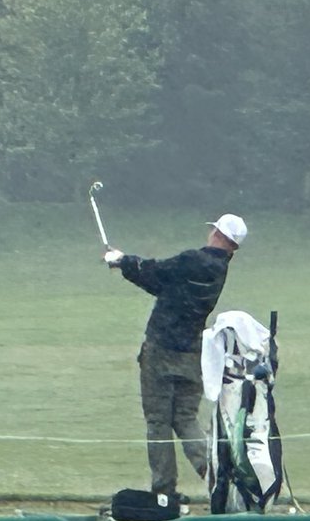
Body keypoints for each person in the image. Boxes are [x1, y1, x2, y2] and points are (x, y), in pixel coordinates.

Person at [103, 213, 247, 500]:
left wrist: (122, 260)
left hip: (161, 349)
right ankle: (216, 476)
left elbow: (156, 270)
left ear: (217, 234)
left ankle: (163, 491)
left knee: (158, 422)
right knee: (185, 417)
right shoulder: (218, 269)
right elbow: (159, 284)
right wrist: (126, 267)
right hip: (192, 353)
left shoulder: (192, 260)